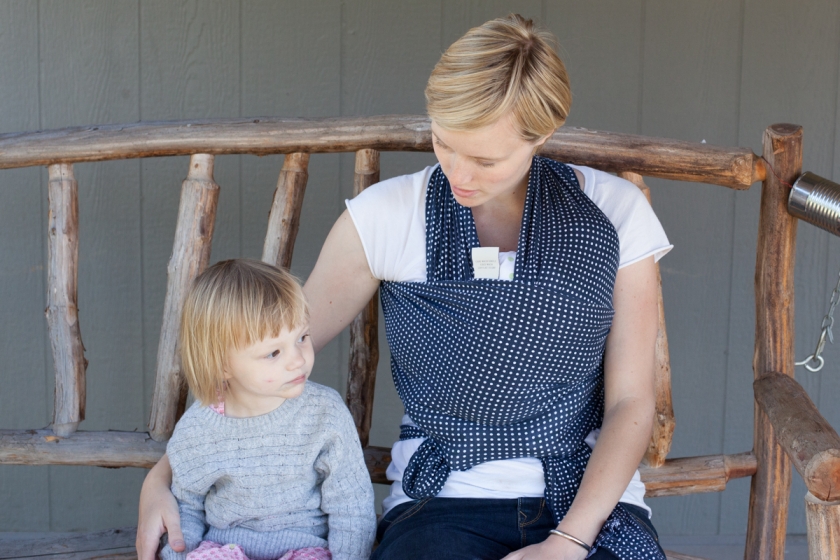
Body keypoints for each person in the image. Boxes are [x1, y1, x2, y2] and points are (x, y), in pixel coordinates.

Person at [138, 15, 672, 560]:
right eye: (444, 142)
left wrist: (568, 542)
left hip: (588, 503)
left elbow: (632, 400)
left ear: (545, 135)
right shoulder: (388, 218)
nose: (459, 174)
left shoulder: (613, 213)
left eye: (486, 159)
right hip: (440, 503)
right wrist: (163, 475)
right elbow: (267, 352)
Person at [157, 259, 376, 560]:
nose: (297, 359)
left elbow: (351, 504)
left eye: (302, 337)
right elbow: (187, 508)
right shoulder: (199, 428)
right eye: (273, 352)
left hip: (305, 549)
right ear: (222, 364)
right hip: (224, 549)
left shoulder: (324, 414)